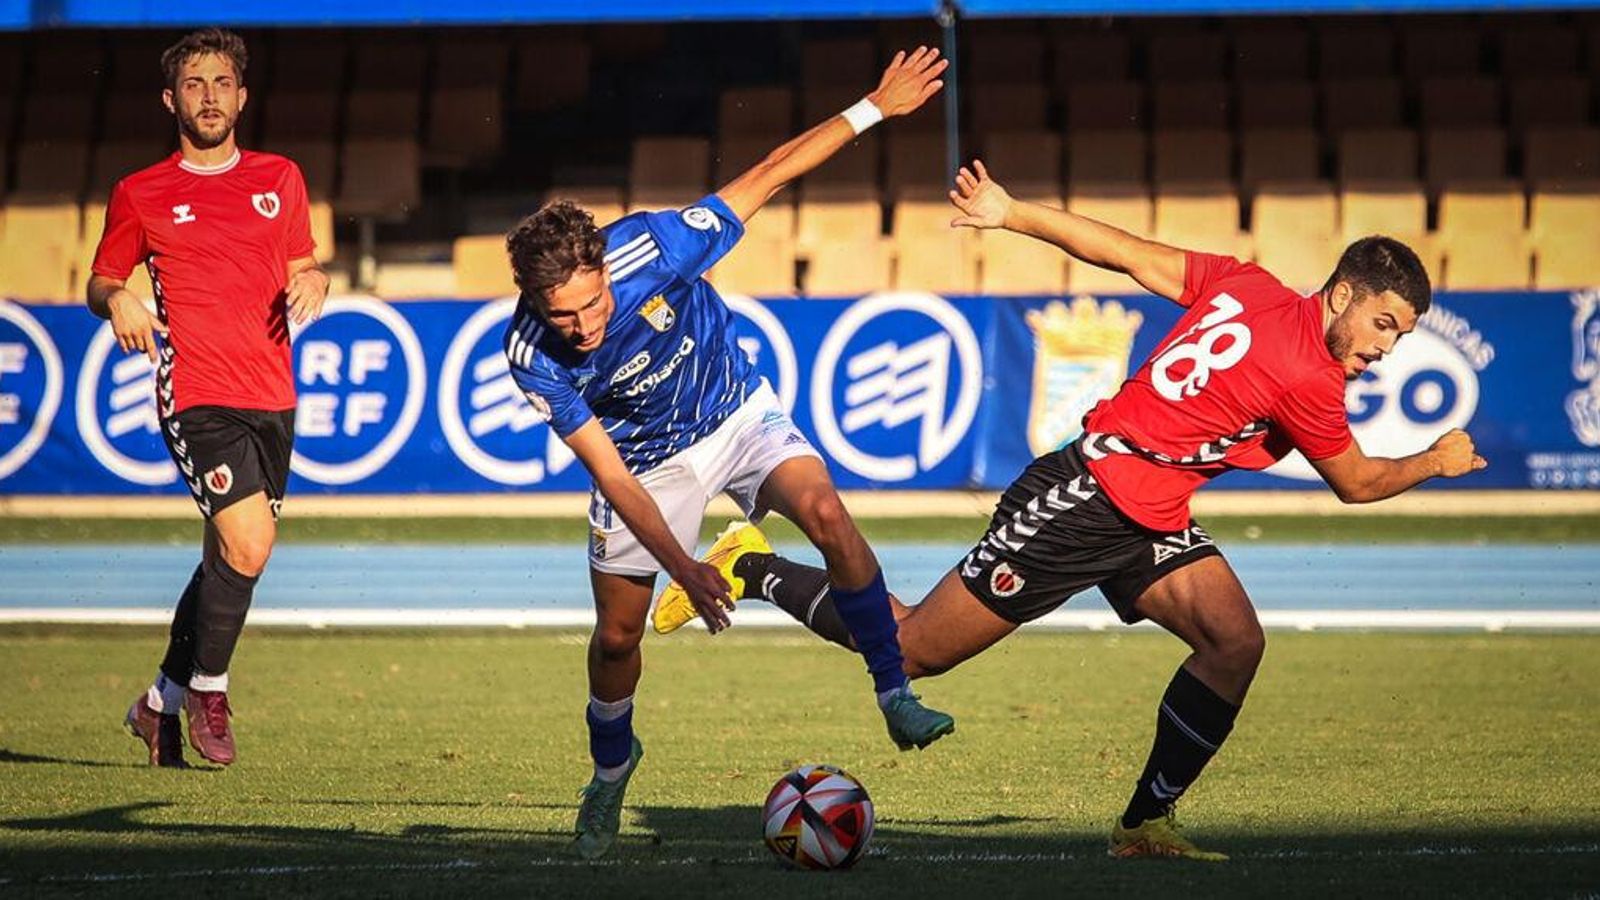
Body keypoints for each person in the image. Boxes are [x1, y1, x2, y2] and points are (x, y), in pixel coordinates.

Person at [662, 160, 1488, 860]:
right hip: (1084, 502)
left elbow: (1126, 253)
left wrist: (1013, 212)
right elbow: (1358, 483)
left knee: (1233, 641)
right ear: (1341, 294)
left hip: (1149, 511)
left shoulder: (1247, 285)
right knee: (913, 649)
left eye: (1401, 337)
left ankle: (1144, 823)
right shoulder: (1311, 376)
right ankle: (750, 566)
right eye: (1382, 324)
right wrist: (1436, 460)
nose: (1384, 349)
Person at [503, 47, 955, 860]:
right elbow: (610, 472)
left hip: (733, 409)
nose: (586, 326)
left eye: (594, 303)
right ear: (536, 302)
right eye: (564, 315)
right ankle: (610, 771)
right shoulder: (533, 357)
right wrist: (683, 566)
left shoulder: (658, 245)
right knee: (616, 639)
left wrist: (877, 108)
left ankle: (892, 688)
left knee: (826, 514)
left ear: (606, 265)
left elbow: (774, 170)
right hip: (645, 466)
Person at [88, 28, 328, 768]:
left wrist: (316, 277)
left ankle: (156, 704)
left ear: (242, 95)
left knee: (230, 556)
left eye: (222, 83)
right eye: (194, 85)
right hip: (196, 392)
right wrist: (117, 301)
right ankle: (208, 692)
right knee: (251, 543)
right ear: (172, 100)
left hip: (273, 394)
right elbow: (101, 279)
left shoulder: (281, 177)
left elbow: (303, 261)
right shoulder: (142, 191)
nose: (210, 97)